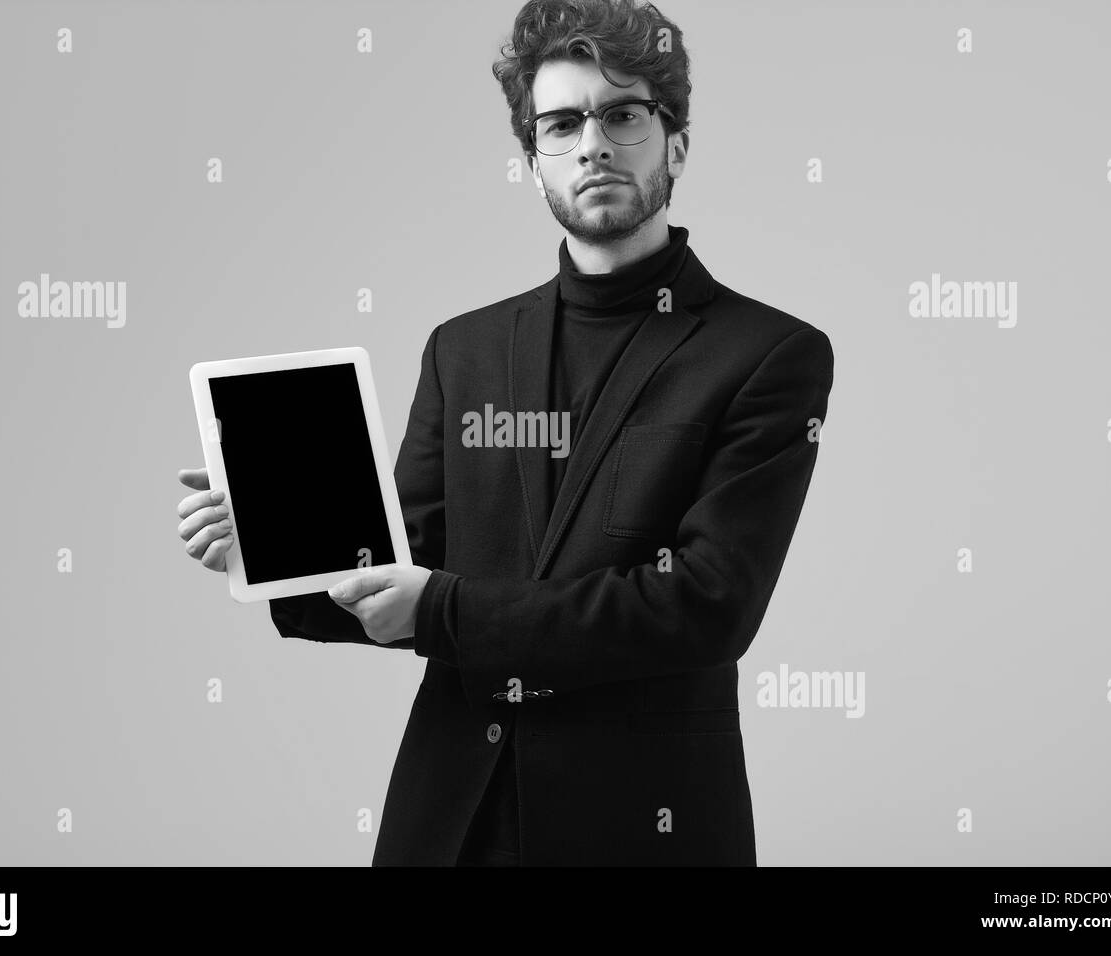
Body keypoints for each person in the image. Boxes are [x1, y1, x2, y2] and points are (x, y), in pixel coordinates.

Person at [177, 0, 834, 866]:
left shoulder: (768, 354)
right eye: (561, 124)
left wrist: (443, 608)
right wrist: (272, 554)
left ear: (675, 143)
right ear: (533, 162)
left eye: (623, 114)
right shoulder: (466, 349)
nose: (592, 143)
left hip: (645, 829)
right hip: (450, 822)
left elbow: (705, 606)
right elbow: (399, 558)